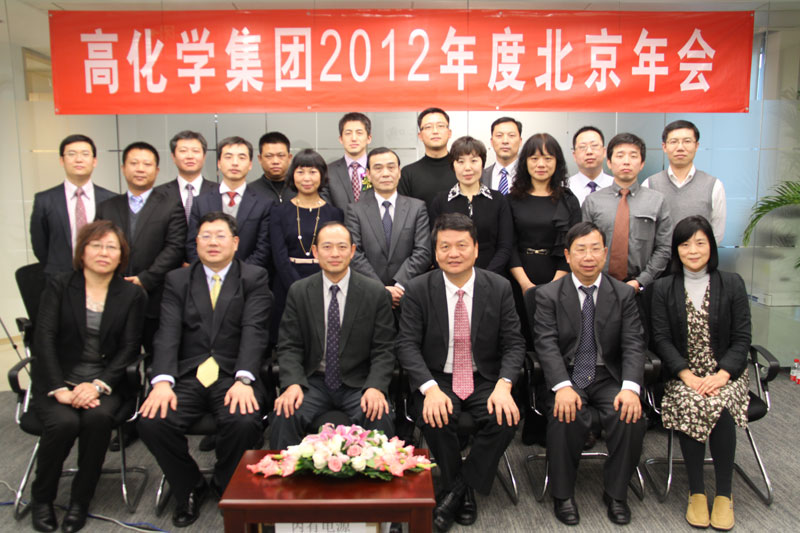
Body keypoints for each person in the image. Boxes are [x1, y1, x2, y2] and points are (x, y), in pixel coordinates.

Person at [138, 212, 271, 528]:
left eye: (220, 236)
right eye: (206, 236)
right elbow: (167, 333)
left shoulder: (253, 277)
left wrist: (244, 378)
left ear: (235, 243)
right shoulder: (178, 280)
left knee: (244, 421)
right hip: (188, 375)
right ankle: (189, 485)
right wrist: (162, 381)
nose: (213, 242)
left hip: (232, 374)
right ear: (196, 243)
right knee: (152, 421)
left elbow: (255, 331)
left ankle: (226, 483)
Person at [396, 213, 525, 532]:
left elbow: (514, 343)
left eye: (462, 245)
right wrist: (429, 388)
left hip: (484, 377)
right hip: (438, 377)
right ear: (435, 252)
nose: (453, 253)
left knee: (505, 418)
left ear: (476, 249)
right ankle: (463, 493)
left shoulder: (499, 287)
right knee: (435, 417)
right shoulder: (418, 289)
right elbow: (406, 345)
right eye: (445, 246)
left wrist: (504, 385)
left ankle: (455, 491)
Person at [29, 220, 146, 533]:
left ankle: (80, 500)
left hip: (105, 383)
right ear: (82, 252)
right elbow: (44, 339)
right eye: (96, 246)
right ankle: (42, 498)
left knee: (97, 420)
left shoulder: (131, 295)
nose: (103, 253)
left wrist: (97, 385)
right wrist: (59, 388)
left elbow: (129, 347)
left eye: (111, 247)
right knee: (63, 423)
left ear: (121, 256)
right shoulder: (59, 285)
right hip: (58, 380)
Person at [534, 221, 647, 526]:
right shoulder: (549, 294)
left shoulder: (622, 294)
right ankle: (563, 494)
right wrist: (562, 386)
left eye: (595, 249)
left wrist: (631, 388)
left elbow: (634, 343)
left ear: (605, 253)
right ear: (567, 256)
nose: (588, 256)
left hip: (607, 375)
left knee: (629, 414)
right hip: (568, 374)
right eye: (580, 250)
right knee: (566, 413)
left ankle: (616, 493)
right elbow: (545, 344)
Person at [651, 215, 750, 531]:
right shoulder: (663, 288)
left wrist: (722, 375)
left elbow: (742, 339)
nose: (692, 250)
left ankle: (723, 494)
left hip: (726, 374)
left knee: (718, 403)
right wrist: (686, 375)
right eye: (684, 244)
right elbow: (661, 339)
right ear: (676, 249)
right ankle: (696, 492)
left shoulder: (732, 284)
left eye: (699, 243)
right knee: (693, 401)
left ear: (711, 246)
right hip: (683, 375)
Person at [270, 222, 396, 449]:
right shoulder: (299, 291)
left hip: (359, 383)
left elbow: (384, 349)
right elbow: (289, 346)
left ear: (353, 251)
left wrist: (375, 386)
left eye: (342, 247)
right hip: (313, 381)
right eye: (327, 247)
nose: (335, 254)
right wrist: (293, 383)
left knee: (380, 414)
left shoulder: (375, 292)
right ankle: (286, 473)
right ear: (315, 252)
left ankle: (376, 474)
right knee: (284, 412)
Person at [96, 141, 187, 354]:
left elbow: (174, 247)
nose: (140, 169)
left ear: (156, 170)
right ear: (123, 168)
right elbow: (98, 247)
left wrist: (145, 279)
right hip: (114, 293)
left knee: (158, 355)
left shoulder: (171, 205)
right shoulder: (107, 207)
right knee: (117, 356)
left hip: (156, 295)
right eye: (134, 163)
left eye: (147, 164)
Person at [582, 132, 673, 292]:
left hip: (642, 288)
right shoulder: (593, 201)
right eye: (620, 155)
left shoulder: (657, 201)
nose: (626, 161)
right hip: (600, 287)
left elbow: (664, 248)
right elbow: (584, 246)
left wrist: (641, 281)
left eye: (633, 156)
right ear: (609, 162)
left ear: (642, 163)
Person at [270, 149, 344, 344]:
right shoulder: (279, 212)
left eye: (313, 172)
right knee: (290, 339)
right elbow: (278, 255)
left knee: (322, 338)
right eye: (300, 172)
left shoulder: (335, 214)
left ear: (322, 175)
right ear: (292, 175)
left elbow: (337, 253)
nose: (307, 178)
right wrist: (297, 287)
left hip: (325, 282)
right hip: (286, 283)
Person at [345, 147, 431, 309]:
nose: (385, 173)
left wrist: (399, 285)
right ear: (368, 174)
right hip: (368, 296)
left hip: (406, 295)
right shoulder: (355, 211)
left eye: (391, 167)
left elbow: (423, 251)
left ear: (399, 172)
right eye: (378, 168)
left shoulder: (417, 208)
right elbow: (354, 253)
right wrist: (380, 289)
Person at [30, 134, 116, 275]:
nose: (78, 159)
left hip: (102, 276)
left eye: (85, 154)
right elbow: (39, 245)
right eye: (71, 154)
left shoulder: (111, 199)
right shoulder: (44, 200)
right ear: (62, 160)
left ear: (94, 161)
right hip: (59, 279)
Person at [428, 136, 512, 276]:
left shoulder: (498, 200)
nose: (467, 168)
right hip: (451, 277)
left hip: (492, 277)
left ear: (482, 163)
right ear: (453, 165)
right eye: (460, 161)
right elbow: (434, 246)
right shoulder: (440, 201)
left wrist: (486, 277)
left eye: (474, 161)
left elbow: (505, 246)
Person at [508, 133, 581, 292]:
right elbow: (508, 246)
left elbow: (574, 246)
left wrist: (554, 285)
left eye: (548, 158)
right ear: (525, 162)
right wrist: (525, 284)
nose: (541, 164)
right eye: (534, 158)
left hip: (559, 282)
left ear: (557, 162)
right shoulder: (511, 200)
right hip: (518, 280)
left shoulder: (568, 201)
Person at [186, 137, 272, 270]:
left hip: (247, 277)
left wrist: (239, 274)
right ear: (219, 163)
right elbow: (192, 244)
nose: (235, 163)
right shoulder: (201, 202)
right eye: (228, 157)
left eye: (241, 157)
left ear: (250, 164)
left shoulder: (264, 204)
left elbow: (263, 249)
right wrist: (210, 272)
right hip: (206, 276)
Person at [643, 120, 727, 242]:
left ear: (696, 146)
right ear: (664, 147)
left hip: (697, 254)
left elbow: (717, 234)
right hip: (661, 254)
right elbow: (645, 231)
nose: (680, 147)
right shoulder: (649, 184)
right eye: (674, 142)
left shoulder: (714, 185)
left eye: (687, 141)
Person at [398, 107, 457, 208]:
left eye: (440, 126)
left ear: (449, 133)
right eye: (428, 127)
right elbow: (404, 212)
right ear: (420, 136)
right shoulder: (408, 174)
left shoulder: (463, 170)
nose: (435, 131)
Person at [155, 130, 217, 225]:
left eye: (195, 151)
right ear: (173, 157)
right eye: (183, 151)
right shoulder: (158, 194)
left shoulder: (218, 191)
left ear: (204, 156)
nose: (190, 156)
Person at [325, 112, 373, 210]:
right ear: (341, 139)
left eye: (359, 133)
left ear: (369, 138)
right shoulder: (328, 172)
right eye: (348, 133)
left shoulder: (377, 169)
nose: (354, 138)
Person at [568, 126, 614, 205]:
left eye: (594, 146)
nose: (589, 152)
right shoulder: (564, 188)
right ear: (574, 155)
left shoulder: (616, 186)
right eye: (582, 147)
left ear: (604, 152)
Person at [248, 131, 296, 205]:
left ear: (289, 158)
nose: (275, 161)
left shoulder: (301, 188)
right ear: (260, 159)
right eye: (269, 156)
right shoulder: (249, 191)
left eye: (281, 155)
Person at [481, 116, 522, 195]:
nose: (505, 141)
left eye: (511, 135)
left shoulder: (530, 175)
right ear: (492, 142)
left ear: (520, 141)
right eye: (499, 136)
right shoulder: (480, 177)